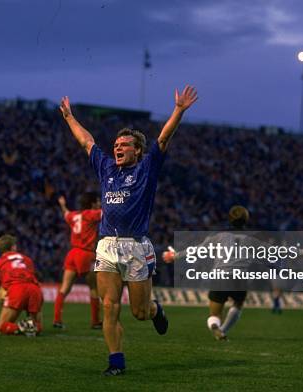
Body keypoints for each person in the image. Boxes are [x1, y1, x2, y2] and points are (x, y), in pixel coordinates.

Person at [60, 85, 198, 375]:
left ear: (137, 150)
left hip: (137, 247)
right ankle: (116, 362)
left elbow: (163, 138)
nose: (117, 148)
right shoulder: (107, 169)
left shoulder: (147, 168)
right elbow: (87, 142)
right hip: (107, 246)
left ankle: (155, 309)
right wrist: (70, 118)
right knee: (109, 306)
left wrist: (179, 110)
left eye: (124, 145)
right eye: (116, 145)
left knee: (139, 312)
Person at [163, 206, 303, 341]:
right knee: (238, 304)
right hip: (239, 278)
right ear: (246, 220)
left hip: (220, 276)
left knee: (214, 313)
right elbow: (277, 251)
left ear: (230, 219)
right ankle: (223, 330)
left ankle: (216, 326)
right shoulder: (252, 240)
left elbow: (196, 250)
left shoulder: (218, 237)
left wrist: (174, 256)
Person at [53, 193, 103, 329]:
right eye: (98, 201)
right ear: (92, 204)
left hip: (72, 253)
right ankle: (95, 322)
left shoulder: (74, 215)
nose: (100, 203)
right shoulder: (92, 214)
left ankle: (57, 319)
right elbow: (108, 212)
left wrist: (62, 205)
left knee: (65, 287)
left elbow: (66, 213)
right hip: (86, 253)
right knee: (94, 288)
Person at [0, 234, 43, 336]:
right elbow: (32, 277)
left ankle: (21, 327)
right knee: (37, 327)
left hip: (16, 290)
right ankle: (31, 326)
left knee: (1, 328)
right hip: (35, 289)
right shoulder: (27, 259)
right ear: (13, 247)